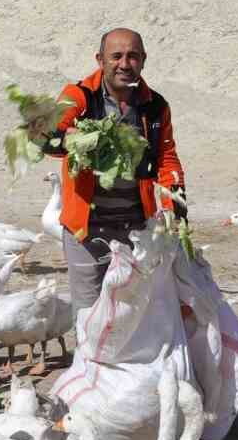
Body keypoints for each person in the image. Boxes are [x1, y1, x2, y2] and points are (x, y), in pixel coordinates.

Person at [43, 27, 186, 313]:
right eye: (116, 56)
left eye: (133, 56)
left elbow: (166, 159)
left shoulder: (155, 106)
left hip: (136, 229)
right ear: (100, 60)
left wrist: (177, 212)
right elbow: (45, 138)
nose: (124, 64)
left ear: (143, 60)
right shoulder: (79, 97)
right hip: (85, 231)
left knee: (133, 314)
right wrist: (68, 139)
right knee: (88, 315)